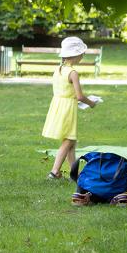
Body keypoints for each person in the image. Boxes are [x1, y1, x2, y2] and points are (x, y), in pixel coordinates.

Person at [42, 37, 98, 179]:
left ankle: (75, 174)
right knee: (69, 140)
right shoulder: (73, 73)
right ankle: (54, 172)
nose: (83, 56)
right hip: (67, 109)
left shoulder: (58, 69)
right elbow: (80, 96)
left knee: (71, 142)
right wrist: (91, 103)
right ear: (76, 54)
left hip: (58, 106)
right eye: (82, 53)